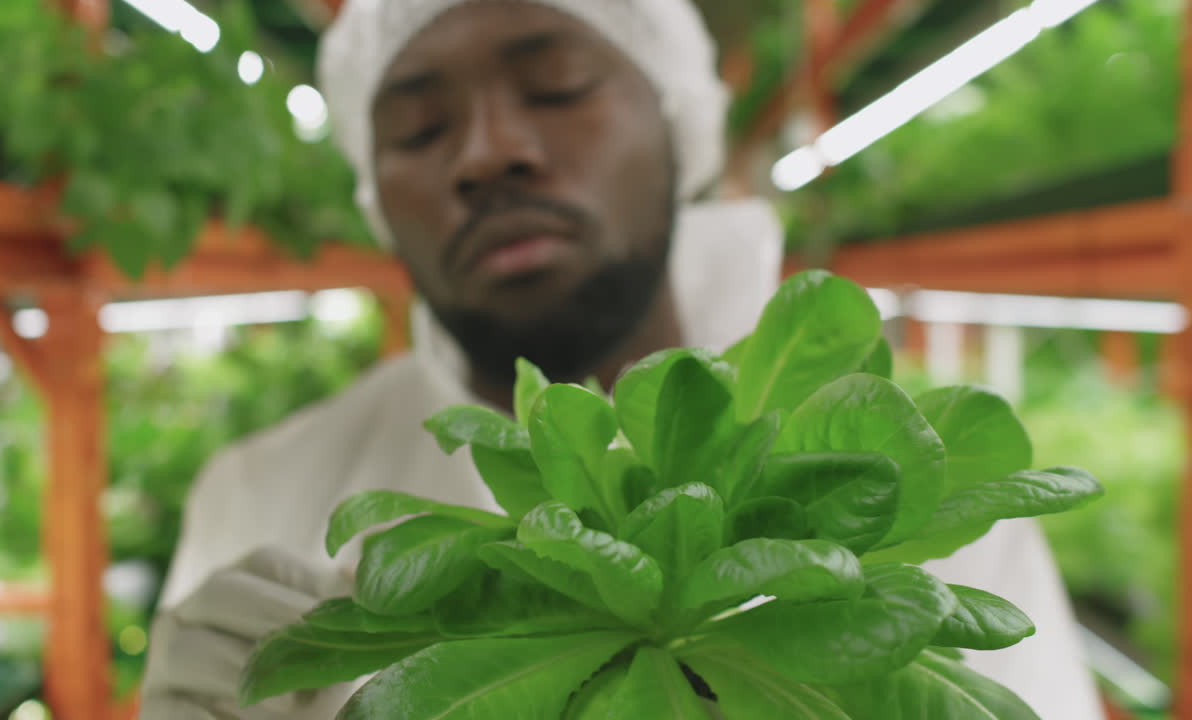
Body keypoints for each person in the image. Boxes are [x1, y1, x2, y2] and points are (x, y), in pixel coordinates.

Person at [138, 1, 1104, 718]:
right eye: (419, 129)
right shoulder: (258, 491)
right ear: (376, 194)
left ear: (677, 120)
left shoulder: (901, 489)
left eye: (554, 84)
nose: (487, 153)